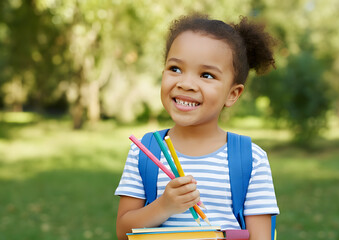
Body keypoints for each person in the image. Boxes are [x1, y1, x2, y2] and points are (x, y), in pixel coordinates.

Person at [115, 14, 279, 240]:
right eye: (175, 69)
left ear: (232, 94)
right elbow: (123, 232)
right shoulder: (143, 152)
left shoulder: (251, 159)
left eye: (206, 75)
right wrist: (164, 206)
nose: (186, 83)